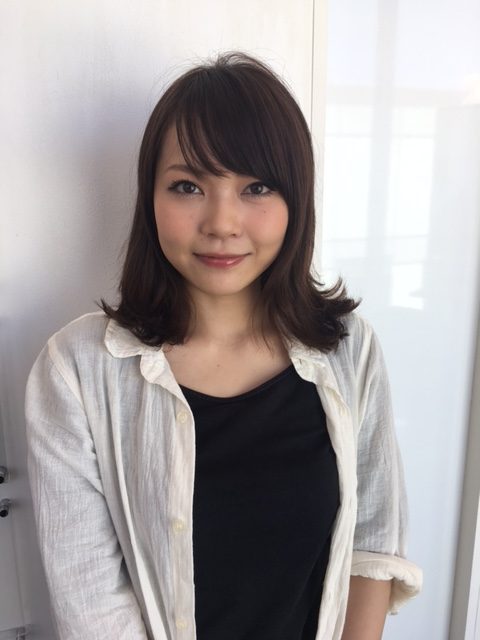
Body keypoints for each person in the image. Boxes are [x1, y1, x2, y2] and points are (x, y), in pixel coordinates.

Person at [25, 52, 422, 640]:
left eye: (256, 186)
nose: (222, 222)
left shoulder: (347, 348)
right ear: (150, 198)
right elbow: (90, 604)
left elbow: (373, 542)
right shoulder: (77, 370)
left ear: (296, 200)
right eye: (188, 186)